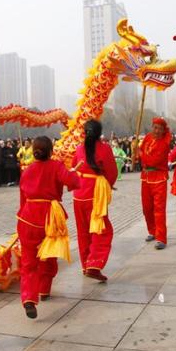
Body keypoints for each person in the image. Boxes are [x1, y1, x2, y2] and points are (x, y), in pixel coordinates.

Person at [16, 136, 79, 318]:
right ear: (51, 151)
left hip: (28, 217)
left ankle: (29, 297)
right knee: (49, 255)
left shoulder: (27, 171)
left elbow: (22, 198)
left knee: (28, 262)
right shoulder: (56, 166)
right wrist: (73, 173)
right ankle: (44, 289)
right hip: (49, 219)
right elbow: (73, 182)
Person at [72, 120, 118, 281]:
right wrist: (108, 185)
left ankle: (86, 265)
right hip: (95, 194)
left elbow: (73, 167)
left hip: (78, 195)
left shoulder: (78, 148)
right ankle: (94, 264)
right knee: (102, 229)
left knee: (83, 231)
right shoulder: (104, 148)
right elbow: (112, 172)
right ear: (100, 133)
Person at [140, 118, 171, 249]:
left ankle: (161, 238)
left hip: (159, 177)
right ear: (151, 127)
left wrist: (139, 154)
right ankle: (152, 231)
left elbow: (153, 161)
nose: (157, 131)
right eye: (155, 127)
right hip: (146, 177)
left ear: (164, 130)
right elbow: (141, 150)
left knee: (159, 209)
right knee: (147, 208)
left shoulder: (164, 143)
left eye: (160, 128)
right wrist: (136, 150)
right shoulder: (147, 137)